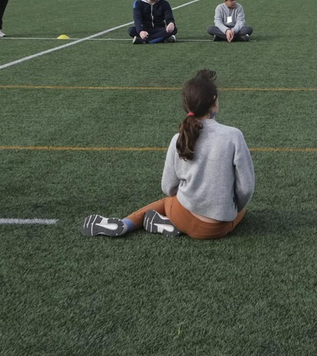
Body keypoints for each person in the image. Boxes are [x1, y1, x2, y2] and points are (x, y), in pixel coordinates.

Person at [82, 69, 254, 239]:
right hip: (217, 228)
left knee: (167, 202)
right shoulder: (233, 136)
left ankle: (126, 224)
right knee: (241, 210)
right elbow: (245, 188)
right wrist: (231, 207)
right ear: (214, 101)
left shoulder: (178, 138)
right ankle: (165, 223)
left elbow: (168, 187)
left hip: (184, 216)